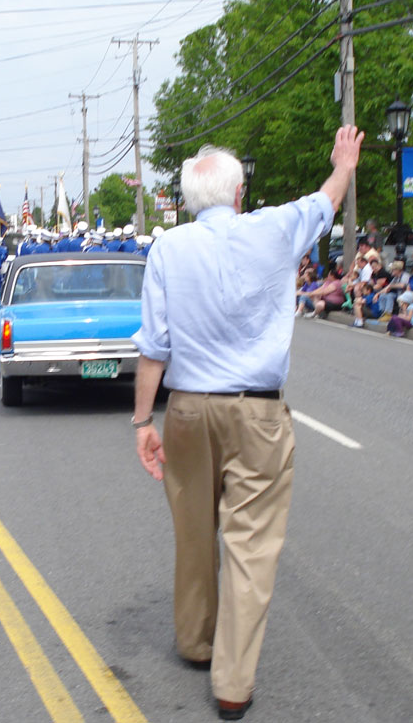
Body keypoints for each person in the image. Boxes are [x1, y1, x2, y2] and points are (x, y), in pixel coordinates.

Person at [132, 126, 365, 721]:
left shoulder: (167, 248)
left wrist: (142, 421)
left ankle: (194, 640)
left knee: (193, 530)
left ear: (187, 201)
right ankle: (232, 683)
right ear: (240, 194)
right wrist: (343, 163)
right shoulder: (273, 228)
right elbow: (327, 200)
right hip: (257, 408)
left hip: (186, 407)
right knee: (251, 543)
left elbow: (154, 346)